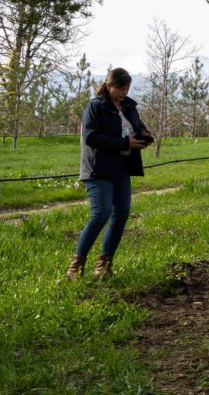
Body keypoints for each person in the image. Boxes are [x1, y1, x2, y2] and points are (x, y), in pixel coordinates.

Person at [67, 68, 153, 279]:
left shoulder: (129, 106)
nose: (124, 92)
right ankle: (75, 267)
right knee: (101, 214)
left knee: (121, 214)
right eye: (121, 88)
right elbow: (90, 137)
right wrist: (124, 142)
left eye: (127, 88)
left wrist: (143, 136)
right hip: (98, 169)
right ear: (109, 86)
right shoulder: (96, 106)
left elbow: (137, 127)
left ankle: (104, 266)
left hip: (122, 168)